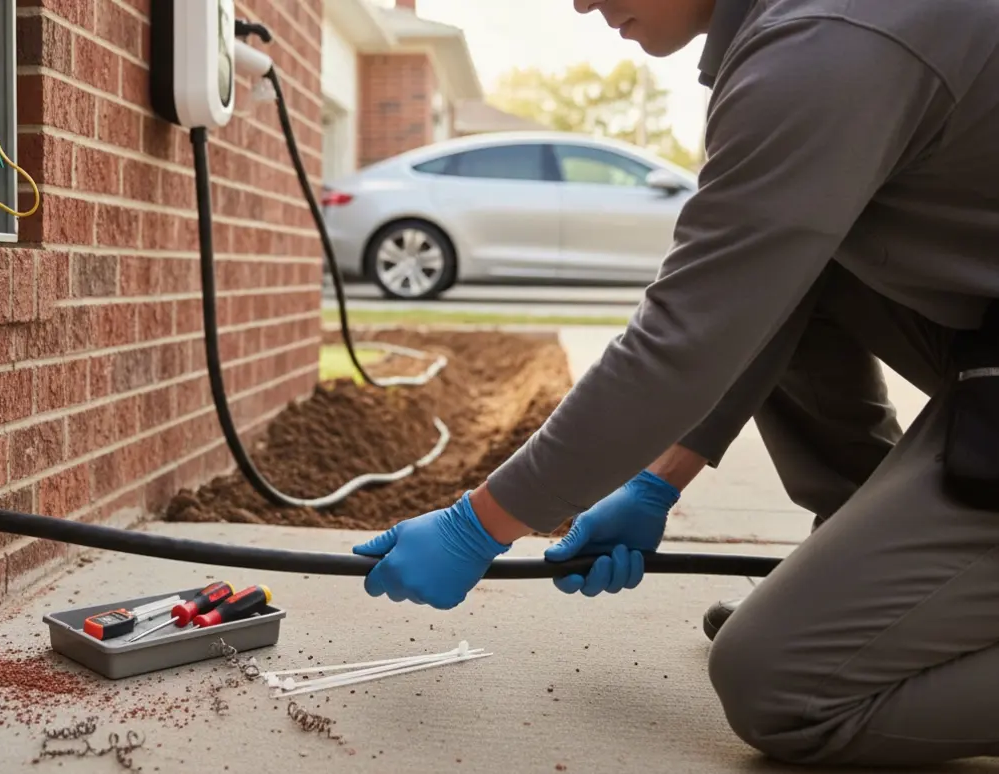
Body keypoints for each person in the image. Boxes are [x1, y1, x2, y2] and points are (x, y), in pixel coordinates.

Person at [351, 0, 999, 767]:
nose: (580, 2)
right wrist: (657, 484)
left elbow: (684, 338)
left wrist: (483, 523)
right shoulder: (814, 30)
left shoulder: (831, 42)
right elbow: (757, 294)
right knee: (799, 270)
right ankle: (884, 576)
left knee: (781, 686)